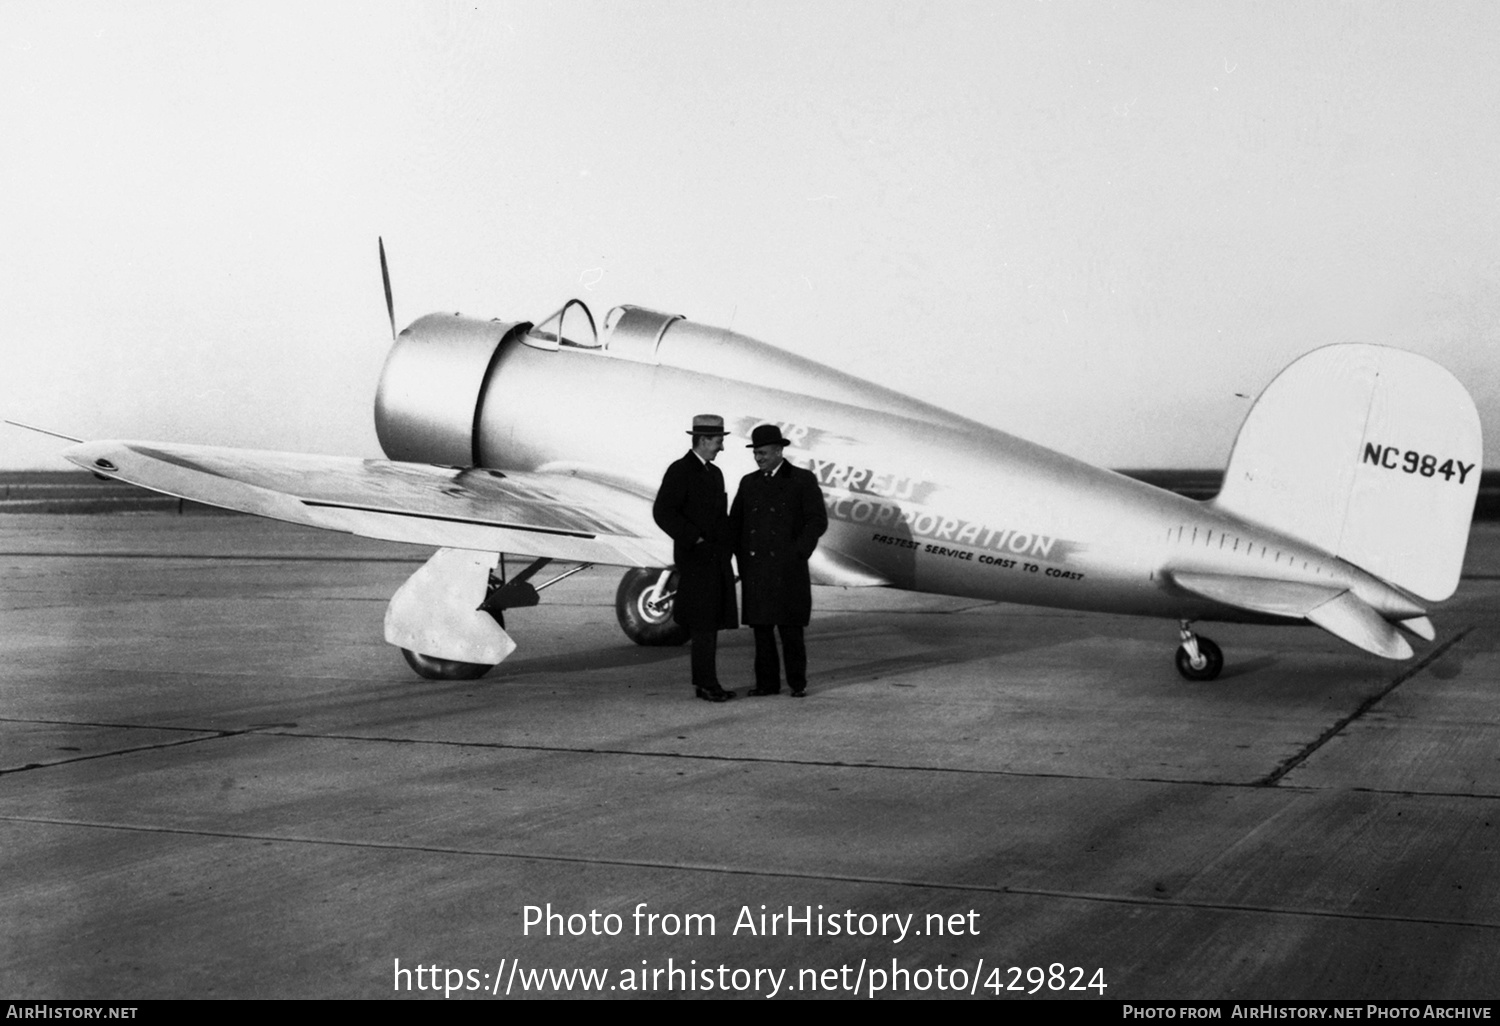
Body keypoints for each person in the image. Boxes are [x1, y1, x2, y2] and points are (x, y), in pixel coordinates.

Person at [729, 424, 828, 697]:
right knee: (762, 630)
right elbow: (735, 523)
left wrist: (799, 552)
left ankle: (797, 683)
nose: (759, 458)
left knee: (790, 629)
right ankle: (767, 684)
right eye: (755, 453)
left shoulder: (801, 479)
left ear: (779, 451)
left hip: (788, 568)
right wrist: (739, 559)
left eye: (763, 453)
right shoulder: (749, 483)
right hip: (757, 568)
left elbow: (817, 520)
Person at [652, 414, 739, 702]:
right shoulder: (680, 470)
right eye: (718, 441)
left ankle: (708, 682)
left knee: (710, 624)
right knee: (704, 625)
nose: (721, 447)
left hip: (715, 560)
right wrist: (694, 538)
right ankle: (706, 685)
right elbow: (663, 512)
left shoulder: (714, 474)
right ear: (703, 440)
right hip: (696, 560)